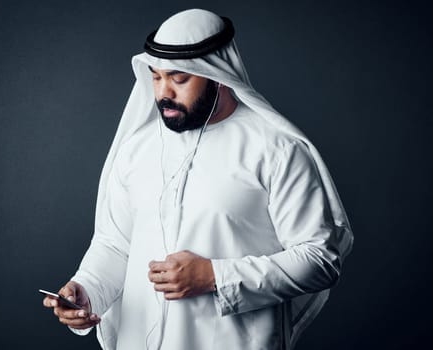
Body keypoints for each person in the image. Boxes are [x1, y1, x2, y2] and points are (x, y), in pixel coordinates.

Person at [43, 9, 353, 350]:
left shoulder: (276, 149)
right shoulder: (137, 149)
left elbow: (320, 258)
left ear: (216, 74)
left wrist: (215, 277)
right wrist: (85, 291)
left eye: (179, 78)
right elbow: (116, 245)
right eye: (156, 77)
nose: (163, 93)